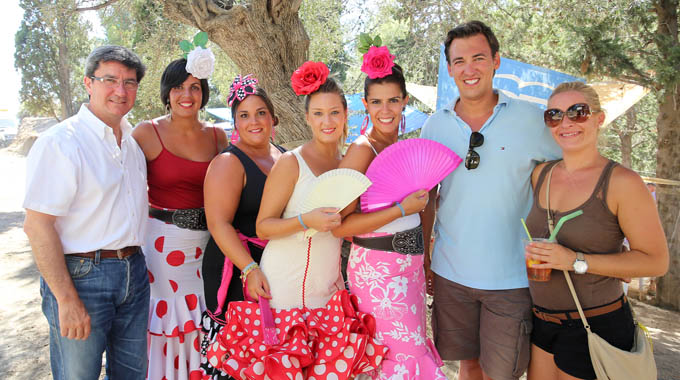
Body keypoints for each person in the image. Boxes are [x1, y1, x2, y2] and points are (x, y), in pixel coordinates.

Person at [206, 62, 387, 380]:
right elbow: (264, 226)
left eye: (334, 112)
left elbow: (345, 226)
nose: (326, 121)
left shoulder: (346, 163)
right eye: (317, 113)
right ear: (306, 118)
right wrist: (306, 220)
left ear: (346, 114)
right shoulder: (291, 162)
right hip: (286, 287)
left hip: (329, 287)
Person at [419, 21, 561, 380]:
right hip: (451, 272)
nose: (470, 69)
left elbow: (569, 173)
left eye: (479, 58)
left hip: (511, 277)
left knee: (504, 373)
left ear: (496, 61)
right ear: (449, 68)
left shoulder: (532, 119)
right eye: (460, 61)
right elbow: (428, 199)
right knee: (468, 365)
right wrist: (424, 258)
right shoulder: (435, 126)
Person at [524, 81, 669, 379]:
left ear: (599, 119)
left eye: (578, 112)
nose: (565, 122)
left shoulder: (622, 182)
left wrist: (576, 260)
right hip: (542, 323)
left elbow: (656, 261)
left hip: (596, 325)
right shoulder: (541, 174)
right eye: (554, 115)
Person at [22, 45, 149, 380]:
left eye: (130, 82)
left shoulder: (132, 143)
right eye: (110, 79)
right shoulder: (62, 142)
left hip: (134, 272)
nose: (120, 91)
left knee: (132, 375)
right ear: (88, 83)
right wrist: (66, 299)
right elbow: (37, 226)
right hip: (82, 276)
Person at [333, 44, 446, 379]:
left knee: (411, 349)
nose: (386, 109)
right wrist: (400, 209)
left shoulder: (402, 148)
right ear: (366, 104)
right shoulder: (361, 151)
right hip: (378, 273)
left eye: (393, 100)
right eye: (377, 101)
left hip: (410, 267)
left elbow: (426, 211)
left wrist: (425, 259)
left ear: (404, 101)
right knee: (403, 358)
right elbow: (340, 226)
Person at [132, 57, 228, 380]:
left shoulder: (218, 137)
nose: (186, 94)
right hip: (163, 246)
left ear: (204, 93)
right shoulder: (146, 133)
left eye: (194, 87)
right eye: (178, 87)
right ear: (166, 92)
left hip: (208, 246)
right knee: (170, 315)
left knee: (203, 313)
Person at [199, 75, 284, 380]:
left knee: (273, 357)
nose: (254, 122)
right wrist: (249, 269)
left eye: (260, 112)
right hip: (237, 268)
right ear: (234, 122)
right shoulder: (228, 163)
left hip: (276, 267)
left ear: (273, 117)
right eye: (244, 115)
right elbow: (218, 223)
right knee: (241, 359)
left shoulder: (285, 156)